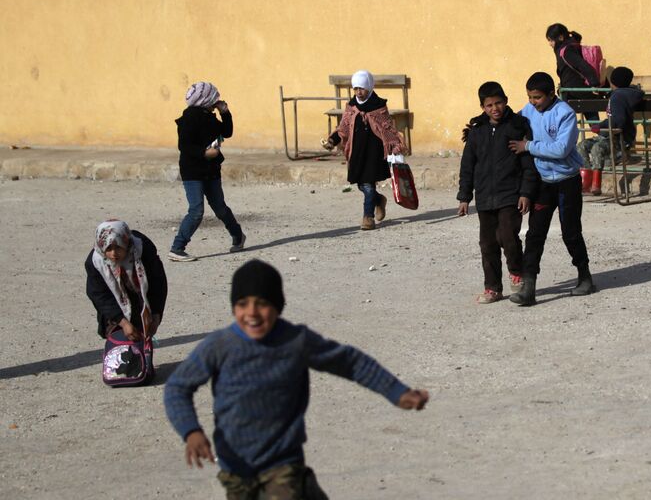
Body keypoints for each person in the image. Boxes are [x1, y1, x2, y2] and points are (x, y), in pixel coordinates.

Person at [164, 259, 429, 500]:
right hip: (235, 467)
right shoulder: (219, 346)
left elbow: (349, 361)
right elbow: (177, 387)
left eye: (263, 303)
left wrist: (397, 391)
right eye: (242, 304)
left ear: (278, 306)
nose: (252, 313)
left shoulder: (295, 341)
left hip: (282, 462)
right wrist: (191, 431)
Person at [508, 72, 595, 306]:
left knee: (571, 232)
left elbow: (561, 150)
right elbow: (512, 121)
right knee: (535, 234)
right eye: (529, 97)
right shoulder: (528, 111)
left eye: (537, 97)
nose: (532, 102)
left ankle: (585, 276)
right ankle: (529, 287)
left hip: (567, 181)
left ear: (550, 94)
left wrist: (528, 146)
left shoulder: (565, 113)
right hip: (542, 182)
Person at [457, 81, 539, 304]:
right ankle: (493, 287)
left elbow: (528, 164)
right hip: (484, 197)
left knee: (508, 237)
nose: (495, 108)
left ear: (506, 101)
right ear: (482, 106)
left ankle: (517, 273)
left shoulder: (518, 126)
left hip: (510, 193)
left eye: (499, 103)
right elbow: (467, 166)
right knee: (488, 244)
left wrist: (526, 193)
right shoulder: (476, 132)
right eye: (489, 105)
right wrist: (464, 197)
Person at [168, 81, 246, 262]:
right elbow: (184, 146)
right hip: (192, 171)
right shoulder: (189, 118)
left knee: (220, 207)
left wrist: (225, 112)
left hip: (211, 170)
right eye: (214, 99)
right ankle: (177, 248)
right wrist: (204, 153)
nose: (216, 101)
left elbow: (227, 133)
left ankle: (238, 235)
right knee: (196, 210)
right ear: (206, 100)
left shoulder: (209, 116)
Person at [323, 70, 406, 231]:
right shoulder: (352, 106)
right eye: (355, 89)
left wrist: (395, 146)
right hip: (357, 152)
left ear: (369, 87)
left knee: (368, 185)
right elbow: (344, 127)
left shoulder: (379, 106)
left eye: (361, 88)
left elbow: (387, 128)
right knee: (361, 185)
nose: (358, 92)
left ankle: (368, 217)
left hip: (374, 153)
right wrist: (332, 140)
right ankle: (379, 199)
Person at [85, 220, 167, 341]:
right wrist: (122, 322)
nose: (113, 254)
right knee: (120, 341)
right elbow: (99, 295)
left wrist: (156, 313)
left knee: (143, 336)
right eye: (108, 248)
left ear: (126, 243)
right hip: (114, 306)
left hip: (141, 300)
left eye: (118, 247)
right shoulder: (96, 263)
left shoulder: (143, 251)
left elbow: (158, 284)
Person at [576, 67, 645, 195]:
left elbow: (618, 121)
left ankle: (596, 183)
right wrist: (601, 125)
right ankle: (586, 180)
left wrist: (600, 128)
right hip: (610, 136)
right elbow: (614, 119)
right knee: (582, 146)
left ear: (612, 82)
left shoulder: (618, 97)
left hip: (620, 140)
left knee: (597, 148)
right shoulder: (620, 95)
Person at [545, 23, 602, 124]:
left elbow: (583, 66)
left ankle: (606, 135)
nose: (549, 44)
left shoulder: (566, 50)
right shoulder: (569, 47)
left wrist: (594, 84)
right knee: (594, 123)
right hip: (579, 92)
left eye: (551, 40)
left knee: (560, 117)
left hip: (576, 92)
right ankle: (605, 135)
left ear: (560, 37)